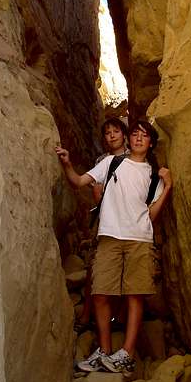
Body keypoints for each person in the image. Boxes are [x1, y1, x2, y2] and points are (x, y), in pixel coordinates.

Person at [56, 120, 172, 373]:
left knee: (135, 294)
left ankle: (126, 353)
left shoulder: (155, 174)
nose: (139, 139)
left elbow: (152, 215)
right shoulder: (111, 163)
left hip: (139, 239)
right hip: (109, 236)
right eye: (135, 134)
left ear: (150, 142)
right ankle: (105, 350)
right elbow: (78, 182)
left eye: (144, 136)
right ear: (129, 140)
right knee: (99, 293)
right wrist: (66, 162)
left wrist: (168, 187)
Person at [77, 117, 130, 330]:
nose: (112, 135)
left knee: (127, 268)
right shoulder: (102, 160)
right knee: (96, 269)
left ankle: (119, 316)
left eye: (116, 131)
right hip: (105, 221)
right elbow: (96, 192)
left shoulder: (136, 158)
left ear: (124, 134)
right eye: (108, 133)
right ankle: (87, 314)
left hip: (129, 222)